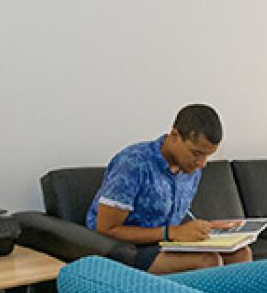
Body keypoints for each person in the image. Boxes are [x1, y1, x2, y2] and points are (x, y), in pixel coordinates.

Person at [87, 104, 252, 274]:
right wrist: (171, 233)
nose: (202, 163)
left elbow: (172, 217)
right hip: (126, 248)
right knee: (207, 261)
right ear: (175, 135)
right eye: (196, 153)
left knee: (240, 254)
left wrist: (210, 229)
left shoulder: (190, 168)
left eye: (207, 156)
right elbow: (106, 229)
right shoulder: (133, 163)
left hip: (166, 241)